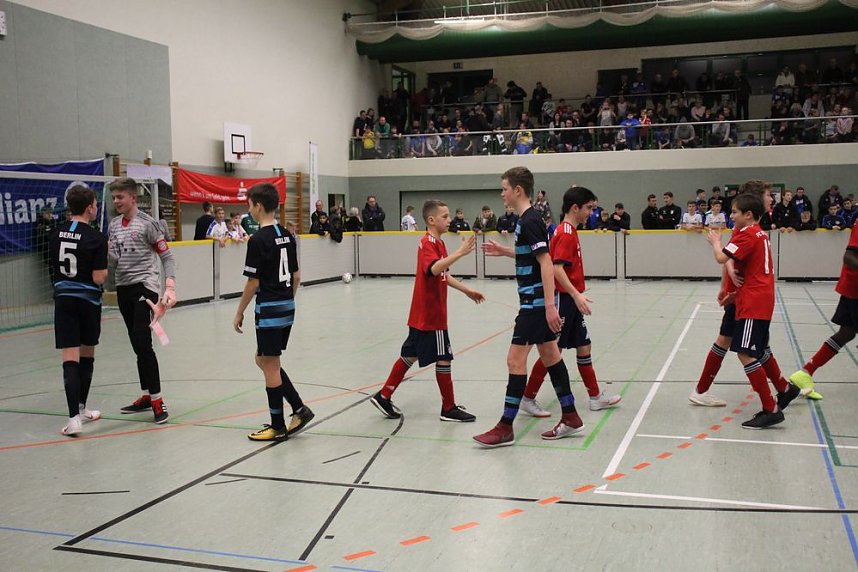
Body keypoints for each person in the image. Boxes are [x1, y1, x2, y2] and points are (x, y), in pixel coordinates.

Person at [474, 167, 583, 447]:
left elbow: (546, 262)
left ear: (517, 190)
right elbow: (534, 253)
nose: (502, 194)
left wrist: (549, 306)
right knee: (551, 357)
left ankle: (505, 427)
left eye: (504, 188)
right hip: (534, 302)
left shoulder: (530, 219)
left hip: (535, 305)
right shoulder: (527, 220)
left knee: (515, 361)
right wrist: (506, 251)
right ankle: (570, 415)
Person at [370, 201, 485, 422]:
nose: (449, 219)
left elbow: (443, 274)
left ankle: (384, 395)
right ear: (431, 220)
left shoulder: (439, 244)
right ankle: (448, 408)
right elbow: (432, 269)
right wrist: (460, 252)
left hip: (422, 314)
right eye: (445, 216)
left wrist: (466, 290)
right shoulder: (427, 242)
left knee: (410, 354)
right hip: (432, 315)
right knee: (444, 358)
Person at [518, 186, 621, 419]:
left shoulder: (569, 231)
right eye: (588, 209)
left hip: (570, 302)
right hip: (564, 301)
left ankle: (595, 397)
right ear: (575, 208)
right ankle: (527, 396)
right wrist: (575, 294)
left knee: (584, 346)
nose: (591, 214)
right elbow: (556, 268)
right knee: (552, 352)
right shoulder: (565, 232)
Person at [700, 192, 800, 428]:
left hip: (754, 302)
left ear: (748, 214)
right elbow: (752, 270)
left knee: (745, 352)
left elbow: (720, 258)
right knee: (759, 348)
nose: (731, 215)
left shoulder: (746, 235)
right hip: (758, 297)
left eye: (734, 212)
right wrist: (733, 295)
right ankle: (784, 390)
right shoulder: (760, 234)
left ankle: (770, 408)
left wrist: (716, 242)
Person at [233, 183, 314, 441]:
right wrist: (287, 301)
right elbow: (297, 276)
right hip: (287, 306)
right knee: (264, 359)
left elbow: (253, 282)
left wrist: (239, 311)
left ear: (258, 206)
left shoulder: (257, 240)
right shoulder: (288, 235)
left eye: (249, 204)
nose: (249, 209)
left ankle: (277, 425)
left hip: (268, 308)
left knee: (269, 365)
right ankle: (299, 408)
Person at [109, 177, 177, 424]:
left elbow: (167, 257)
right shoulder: (114, 225)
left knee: (142, 340)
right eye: (114, 197)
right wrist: (110, 255)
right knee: (135, 343)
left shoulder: (148, 224)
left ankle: (158, 400)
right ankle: (146, 395)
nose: (116, 201)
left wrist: (169, 287)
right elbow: (115, 260)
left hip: (144, 287)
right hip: (123, 288)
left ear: (133, 198)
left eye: (120, 197)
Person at [50, 185, 108, 436]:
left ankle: (77, 414)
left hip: (64, 300)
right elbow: (98, 277)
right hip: (88, 302)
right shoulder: (96, 237)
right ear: (89, 208)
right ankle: (78, 412)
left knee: (70, 358)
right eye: (95, 204)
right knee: (86, 356)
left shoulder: (55, 233)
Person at [789, 218, 858, 400]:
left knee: (847, 332)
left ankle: (805, 372)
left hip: (852, 288)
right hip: (855, 289)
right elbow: (849, 257)